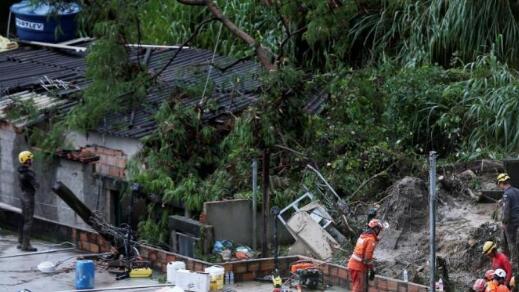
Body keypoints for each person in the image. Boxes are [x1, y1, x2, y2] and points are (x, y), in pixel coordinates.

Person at [347, 219, 384, 292]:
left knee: (357, 286)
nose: (379, 232)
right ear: (376, 229)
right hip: (358, 267)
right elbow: (367, 259)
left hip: (353, 264)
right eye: (379, 230)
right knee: (358, 288)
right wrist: (372, 269)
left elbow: (362, 253)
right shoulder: (371, 240)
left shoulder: (363, 236)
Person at [498, 172, 519, 282]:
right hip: (517, 220)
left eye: (499, 184)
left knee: (511, 243)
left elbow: (506, 211)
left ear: (502, 183)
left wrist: (504, 222)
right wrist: (502, 202)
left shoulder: (506, 194)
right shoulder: (516, 191)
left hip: (510, 223)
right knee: (507, 241)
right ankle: (506, 259)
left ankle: (513, 266)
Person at [17, 150, 39, 252]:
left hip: (22, 195)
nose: (32, 160)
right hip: (28, 197)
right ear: (27, 160)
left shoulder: (20, 171)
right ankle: (26, 245)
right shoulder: (29, 174)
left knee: (23, 219)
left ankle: (21, 242)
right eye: (30, 159)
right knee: (28, 221)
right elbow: (36, 185)